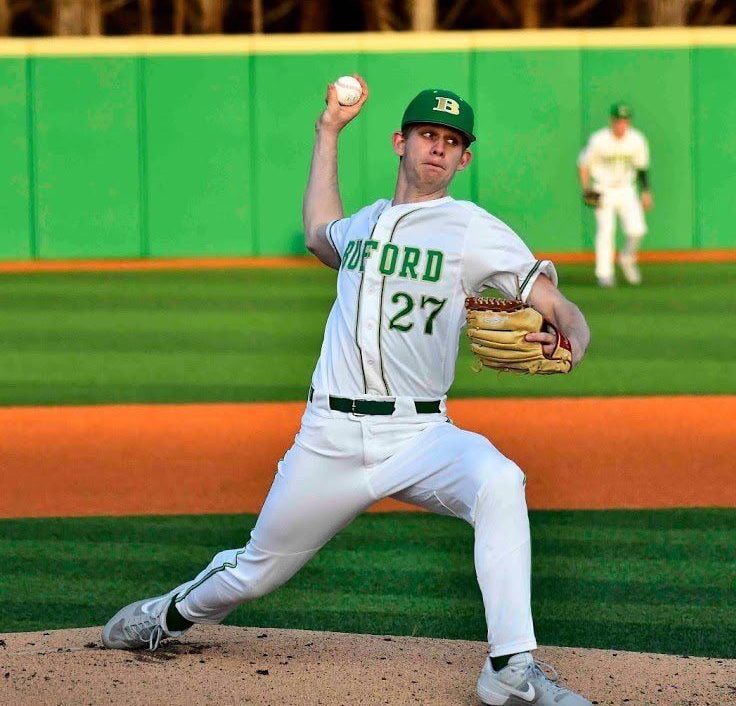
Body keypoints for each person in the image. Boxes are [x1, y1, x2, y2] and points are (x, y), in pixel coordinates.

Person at [100, 79, 594, 706]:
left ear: (464, 158)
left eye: (451, 142)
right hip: (328, 439)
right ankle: (169, 615)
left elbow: (552, 299)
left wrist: (573, 333)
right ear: (400, 142)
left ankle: (510, 668)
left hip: (420, 435)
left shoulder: (470, 229)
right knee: (255, 572)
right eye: (427, 136)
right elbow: (316, 231)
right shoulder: (361, 228)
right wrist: (328, 130)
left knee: (500, 480)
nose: (438, 149)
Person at [577, 102, 653, 287]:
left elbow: (642, 167)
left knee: (637, 229)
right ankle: (604, 274)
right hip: (603, 188)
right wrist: (587, 188)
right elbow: (583, 164)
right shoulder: (599, 139)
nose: (621, 125)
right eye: (618, 121)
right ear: (612, 121)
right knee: (606, 230)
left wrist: (645, 192)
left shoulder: (637, 140)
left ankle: (627, 258)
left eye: (625, 121)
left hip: (627, 188)